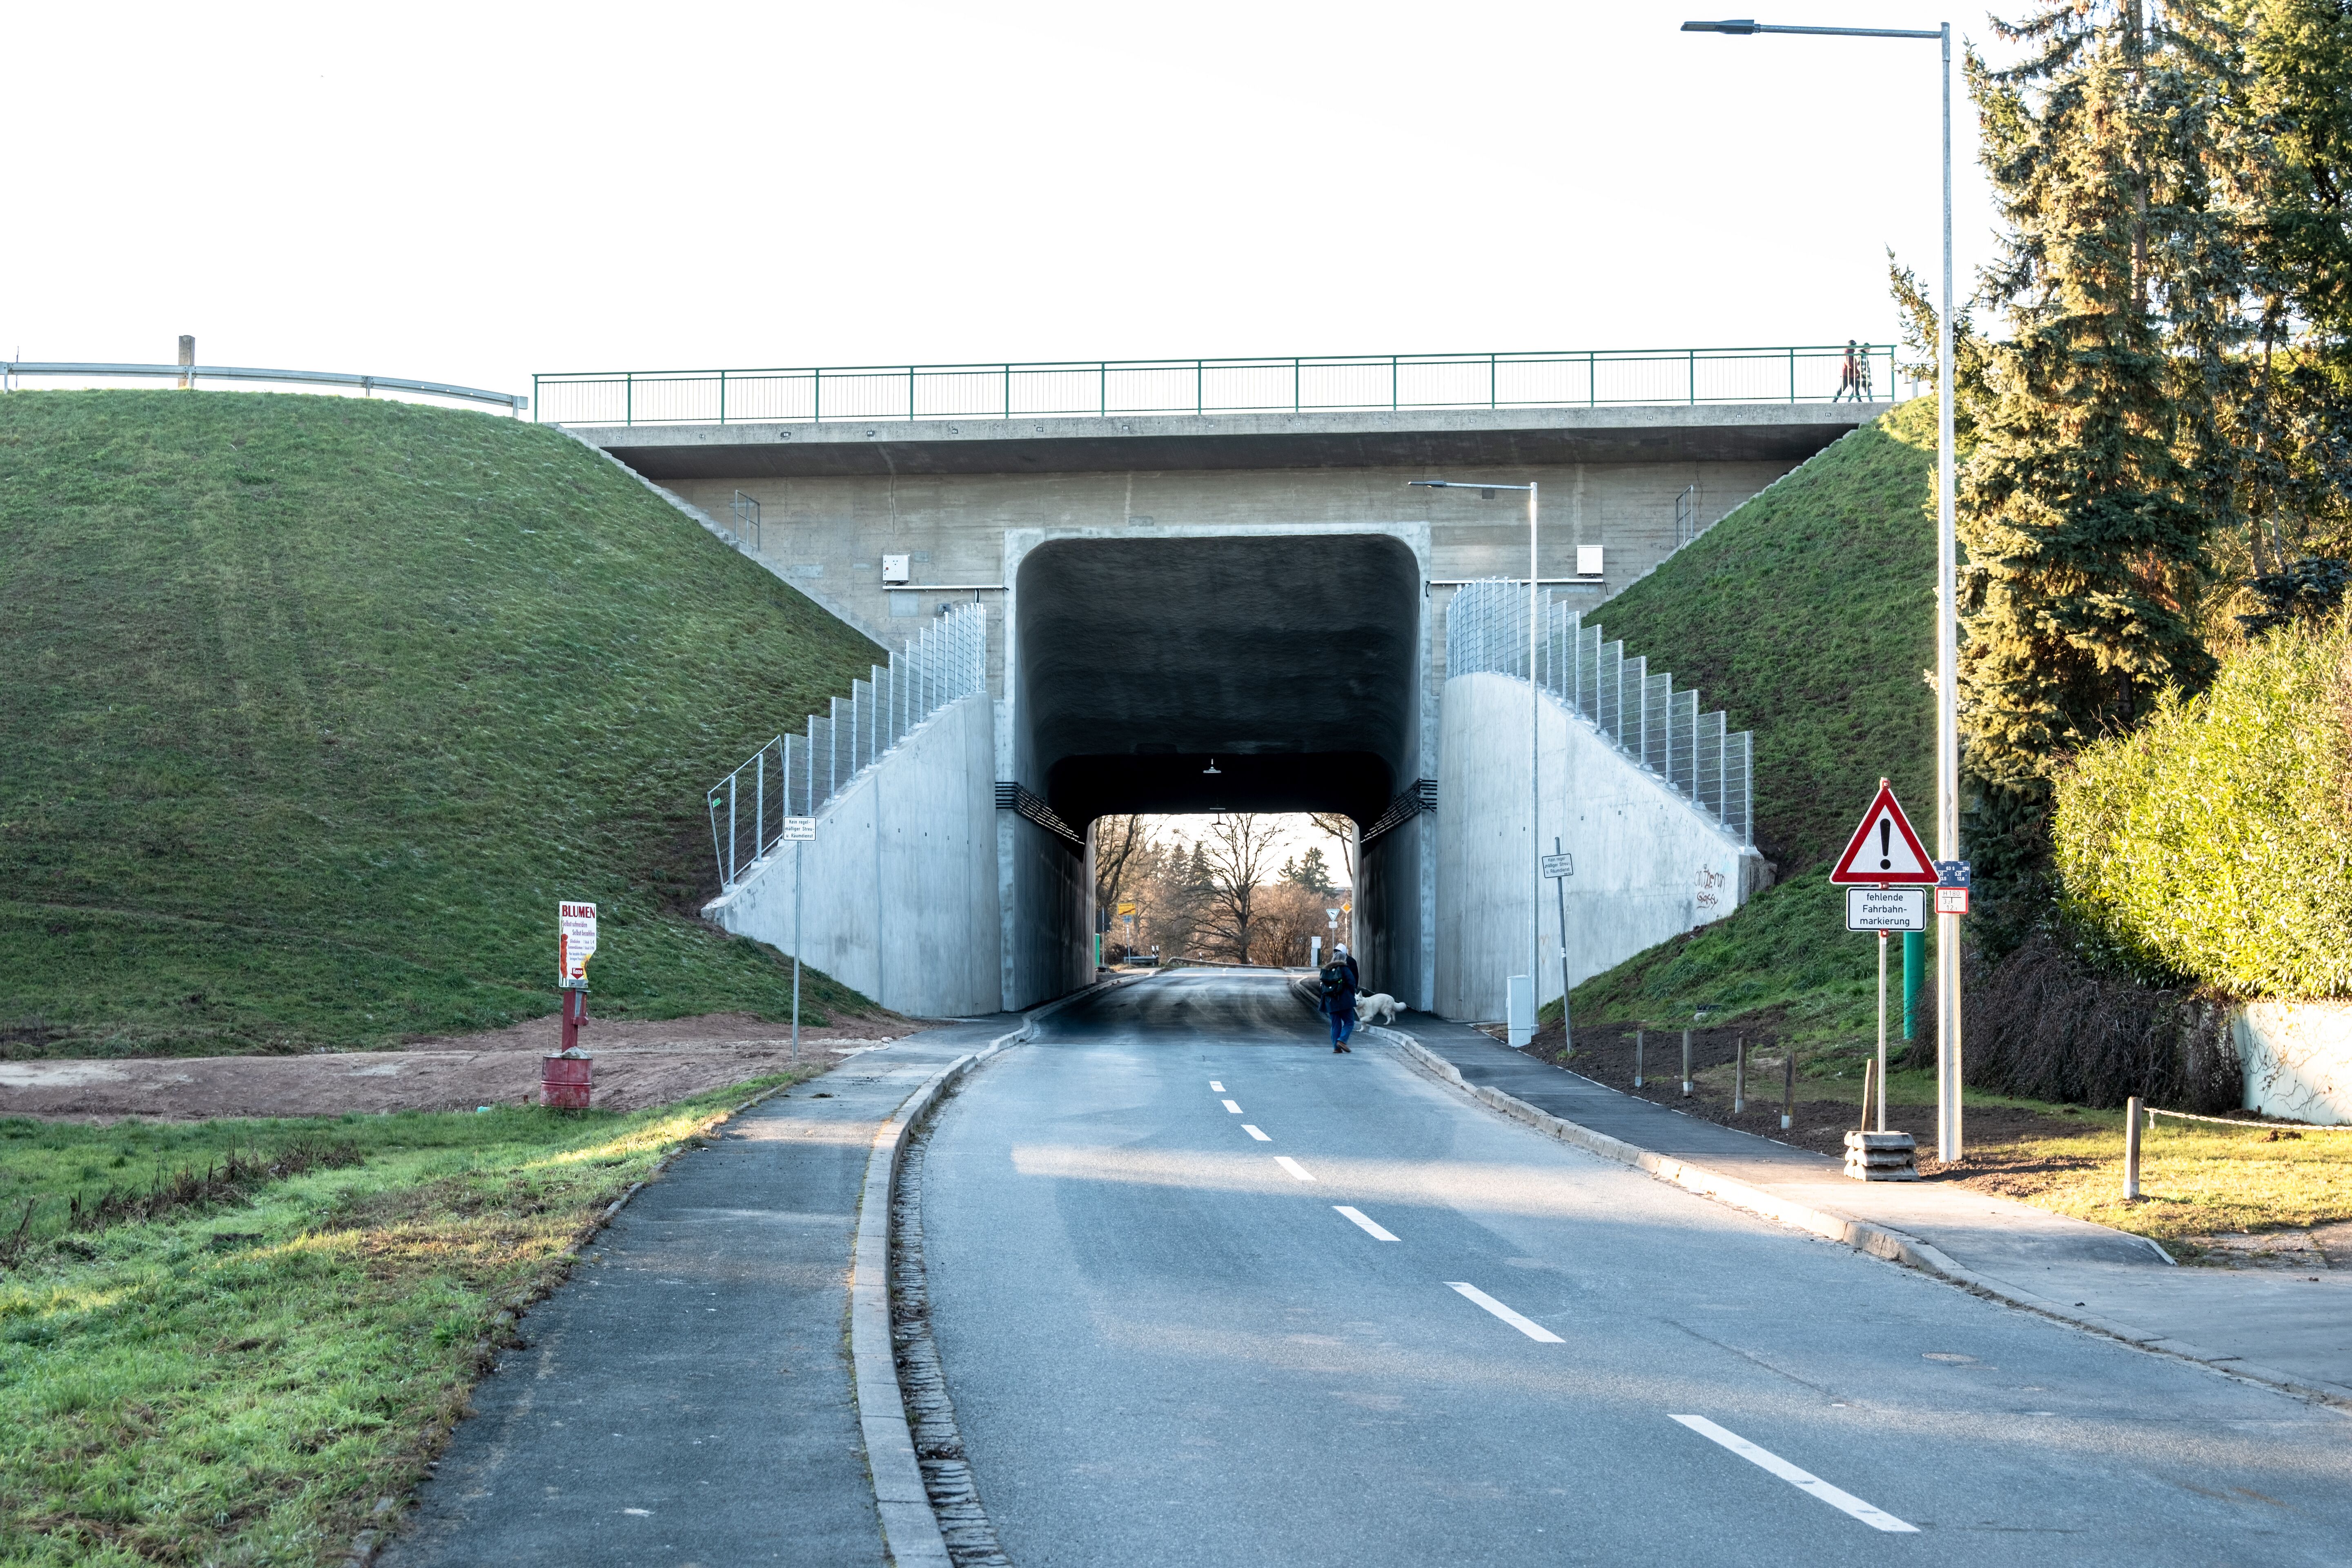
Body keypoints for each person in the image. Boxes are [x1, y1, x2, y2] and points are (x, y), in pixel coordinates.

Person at [1319, 953, 1358, 1052]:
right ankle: (1342, 1040)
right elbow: (1352, 982)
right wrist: (1351, 994)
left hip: (1330, 1001)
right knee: (1349, 1022)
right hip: (1344, 1000)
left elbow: (1322, 986)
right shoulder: (1344, 968)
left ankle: (1336, 1048)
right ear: (1344, 959)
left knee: (1335, 1024)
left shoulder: (1326, 969)